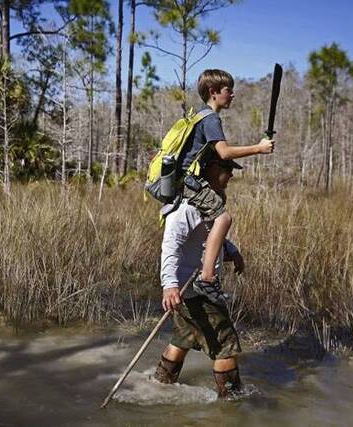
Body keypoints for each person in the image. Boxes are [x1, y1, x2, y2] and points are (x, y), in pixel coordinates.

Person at [177, 68, 274, 311]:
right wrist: (259, 148)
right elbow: (224, 153)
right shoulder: (210, 118)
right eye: (229, 90)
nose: (233, 95)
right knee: (224, 217)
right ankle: (207, 279)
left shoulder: (201, 117)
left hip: (188, 182)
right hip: (189, 182)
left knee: (217, 216)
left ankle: (213, 266)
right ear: (213, 92)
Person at [153, 157, 246, 399]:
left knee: (183, 338)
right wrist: (170, 285)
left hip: (188, 292)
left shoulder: (207, 205)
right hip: (193, 291)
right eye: (227, 169)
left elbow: (207, 236)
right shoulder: (186, 207)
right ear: (212, 168)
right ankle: (233, 405)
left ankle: (159, 387)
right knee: (225, 345)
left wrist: (232, 251)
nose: (231, 175)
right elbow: (170, 245)